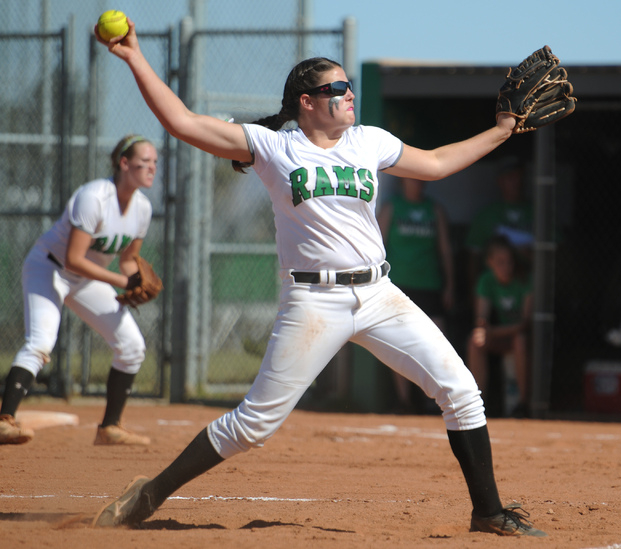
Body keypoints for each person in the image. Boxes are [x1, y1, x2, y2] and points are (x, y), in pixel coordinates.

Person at [91, 19, 546, 537]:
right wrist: (133, 57)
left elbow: (438, 164)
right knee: (253, 425)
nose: (350, 94)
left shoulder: (369, 142)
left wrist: (504, 128)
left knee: (461, 389)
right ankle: (149, 494)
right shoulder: (273, 147)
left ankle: (488, 513)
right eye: (338, 88)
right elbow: (181, 122)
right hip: (313, 300)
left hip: (378, 293)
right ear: (306, 101)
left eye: (350, 85)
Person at [0, 134, 158, 446]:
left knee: (131, 346)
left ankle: (109, 428)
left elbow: (127, 259)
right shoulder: (94, 197)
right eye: (145, 162)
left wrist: (137, 280)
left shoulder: (142, 208)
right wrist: (122, 282)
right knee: (41, 342)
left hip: (86, 278)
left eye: (155, 162)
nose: (152, 168)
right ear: (124, 163)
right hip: (50, 268)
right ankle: (5, 420)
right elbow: (73, 258)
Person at [377, 177, 454, 414]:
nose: (418, 184)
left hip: (429, 284)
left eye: (421, 181)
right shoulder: (392, 207)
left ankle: (434, 399)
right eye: (413, 180)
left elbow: (445, 248)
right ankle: (405, 401)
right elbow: (376, 244)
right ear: (403, 182)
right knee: (400, 342)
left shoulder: (435, 210)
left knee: (436, 341)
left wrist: (450, 284)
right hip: (399, 284)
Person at [467, 235, 533, 418]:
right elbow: (481, 320)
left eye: (509, 262)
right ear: (489, 262)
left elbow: (524, 325)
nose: (506, 267)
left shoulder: (525, 280)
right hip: (499, 337)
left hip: (521, 339)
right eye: (500, 262)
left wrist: (492, 331)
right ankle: (477, 404)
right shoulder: (486, 281)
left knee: (519, 341)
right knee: (475, 341)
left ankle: (523, 404)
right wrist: (483, 330)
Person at [465, 157, 533, 294]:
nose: (516, 181)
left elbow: (558, 254)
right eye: (510, 177)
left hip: (529, 286)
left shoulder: (539, 212)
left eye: (519, 176)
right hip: (495, 292)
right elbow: (473, 259)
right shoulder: (486, 215)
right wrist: (473, 293)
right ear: (499, 181)